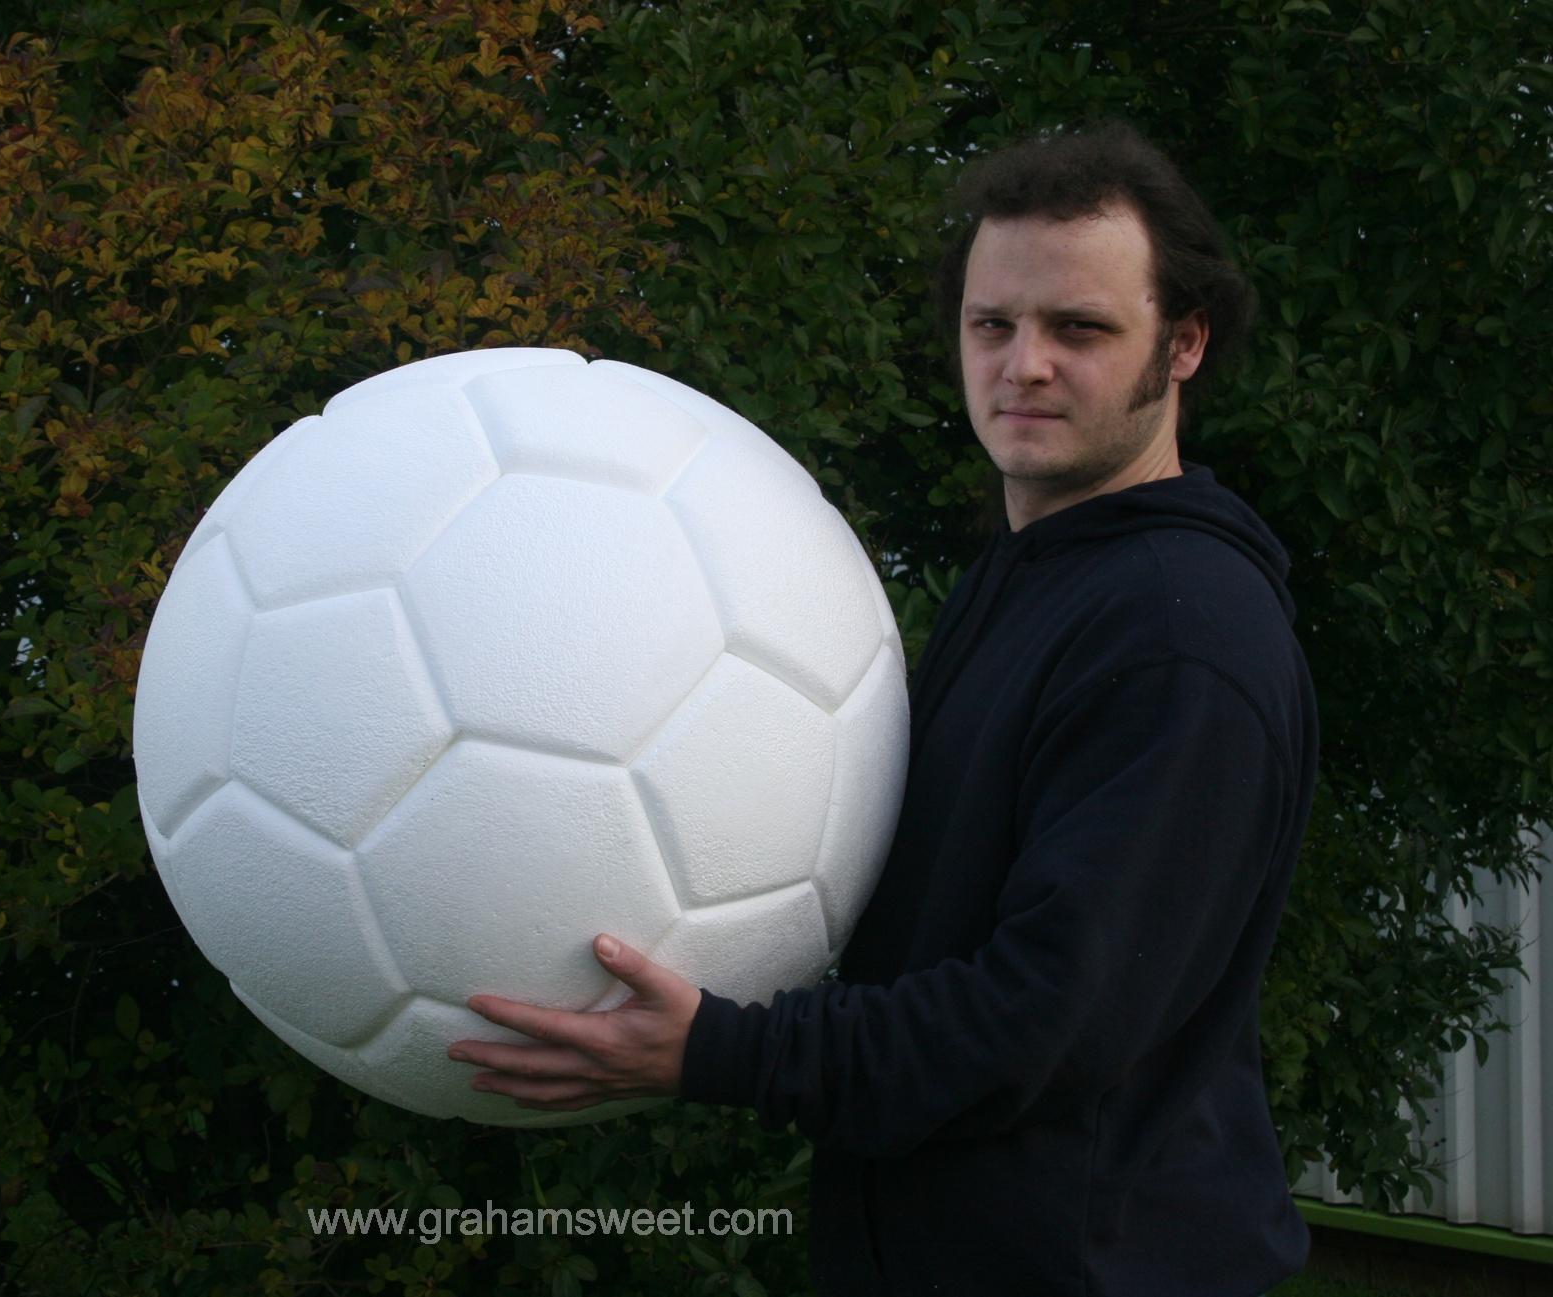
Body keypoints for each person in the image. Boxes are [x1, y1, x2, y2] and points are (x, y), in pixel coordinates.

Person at [447, 120, 1316, 1296]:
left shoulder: (1177, 634)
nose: (1024, 365)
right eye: (991, 324)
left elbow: (1035, 1025)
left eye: (1080, 329)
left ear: (1184, 344)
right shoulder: (1034, 576)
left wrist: (720, 1049)